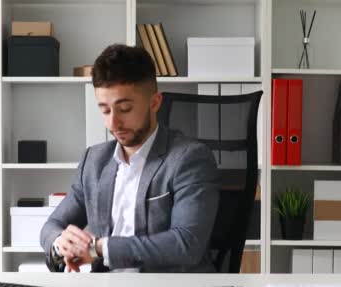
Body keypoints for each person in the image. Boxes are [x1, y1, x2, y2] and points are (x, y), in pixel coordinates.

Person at [40, 44, 219, 273]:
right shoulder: (94, 161)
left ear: (155, 103)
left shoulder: (189, 158)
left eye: (124, 108)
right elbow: (51, 226)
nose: (113, 123)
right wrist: (60, 243)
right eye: (105, 110)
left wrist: (100, 248)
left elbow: (186, 244)